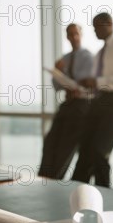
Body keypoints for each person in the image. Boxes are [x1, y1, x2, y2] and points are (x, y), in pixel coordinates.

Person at [72, 12, 113, 187]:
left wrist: (97, 82)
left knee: (99, 152)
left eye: (97, 27)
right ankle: (78, 195)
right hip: (99, 102)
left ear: (109, 24)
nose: (94, 32)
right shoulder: (99, 54)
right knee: (85, 150)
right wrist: (84, 88)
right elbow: (97, 83)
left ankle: (104, 195)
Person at [38, 23, 94, 179]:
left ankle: (54, 179)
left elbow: (83, 83)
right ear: (67, 37)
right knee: (50, 142)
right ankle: (43, 178)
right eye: (70, 34)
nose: (74, 37)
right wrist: (58, 71)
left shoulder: (88, 57)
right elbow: (57, 86)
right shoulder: (64, 59)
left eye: (76, 33)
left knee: (66, 146)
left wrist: (65, 75)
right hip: (67, 104)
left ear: (81, 34)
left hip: (81, 106)